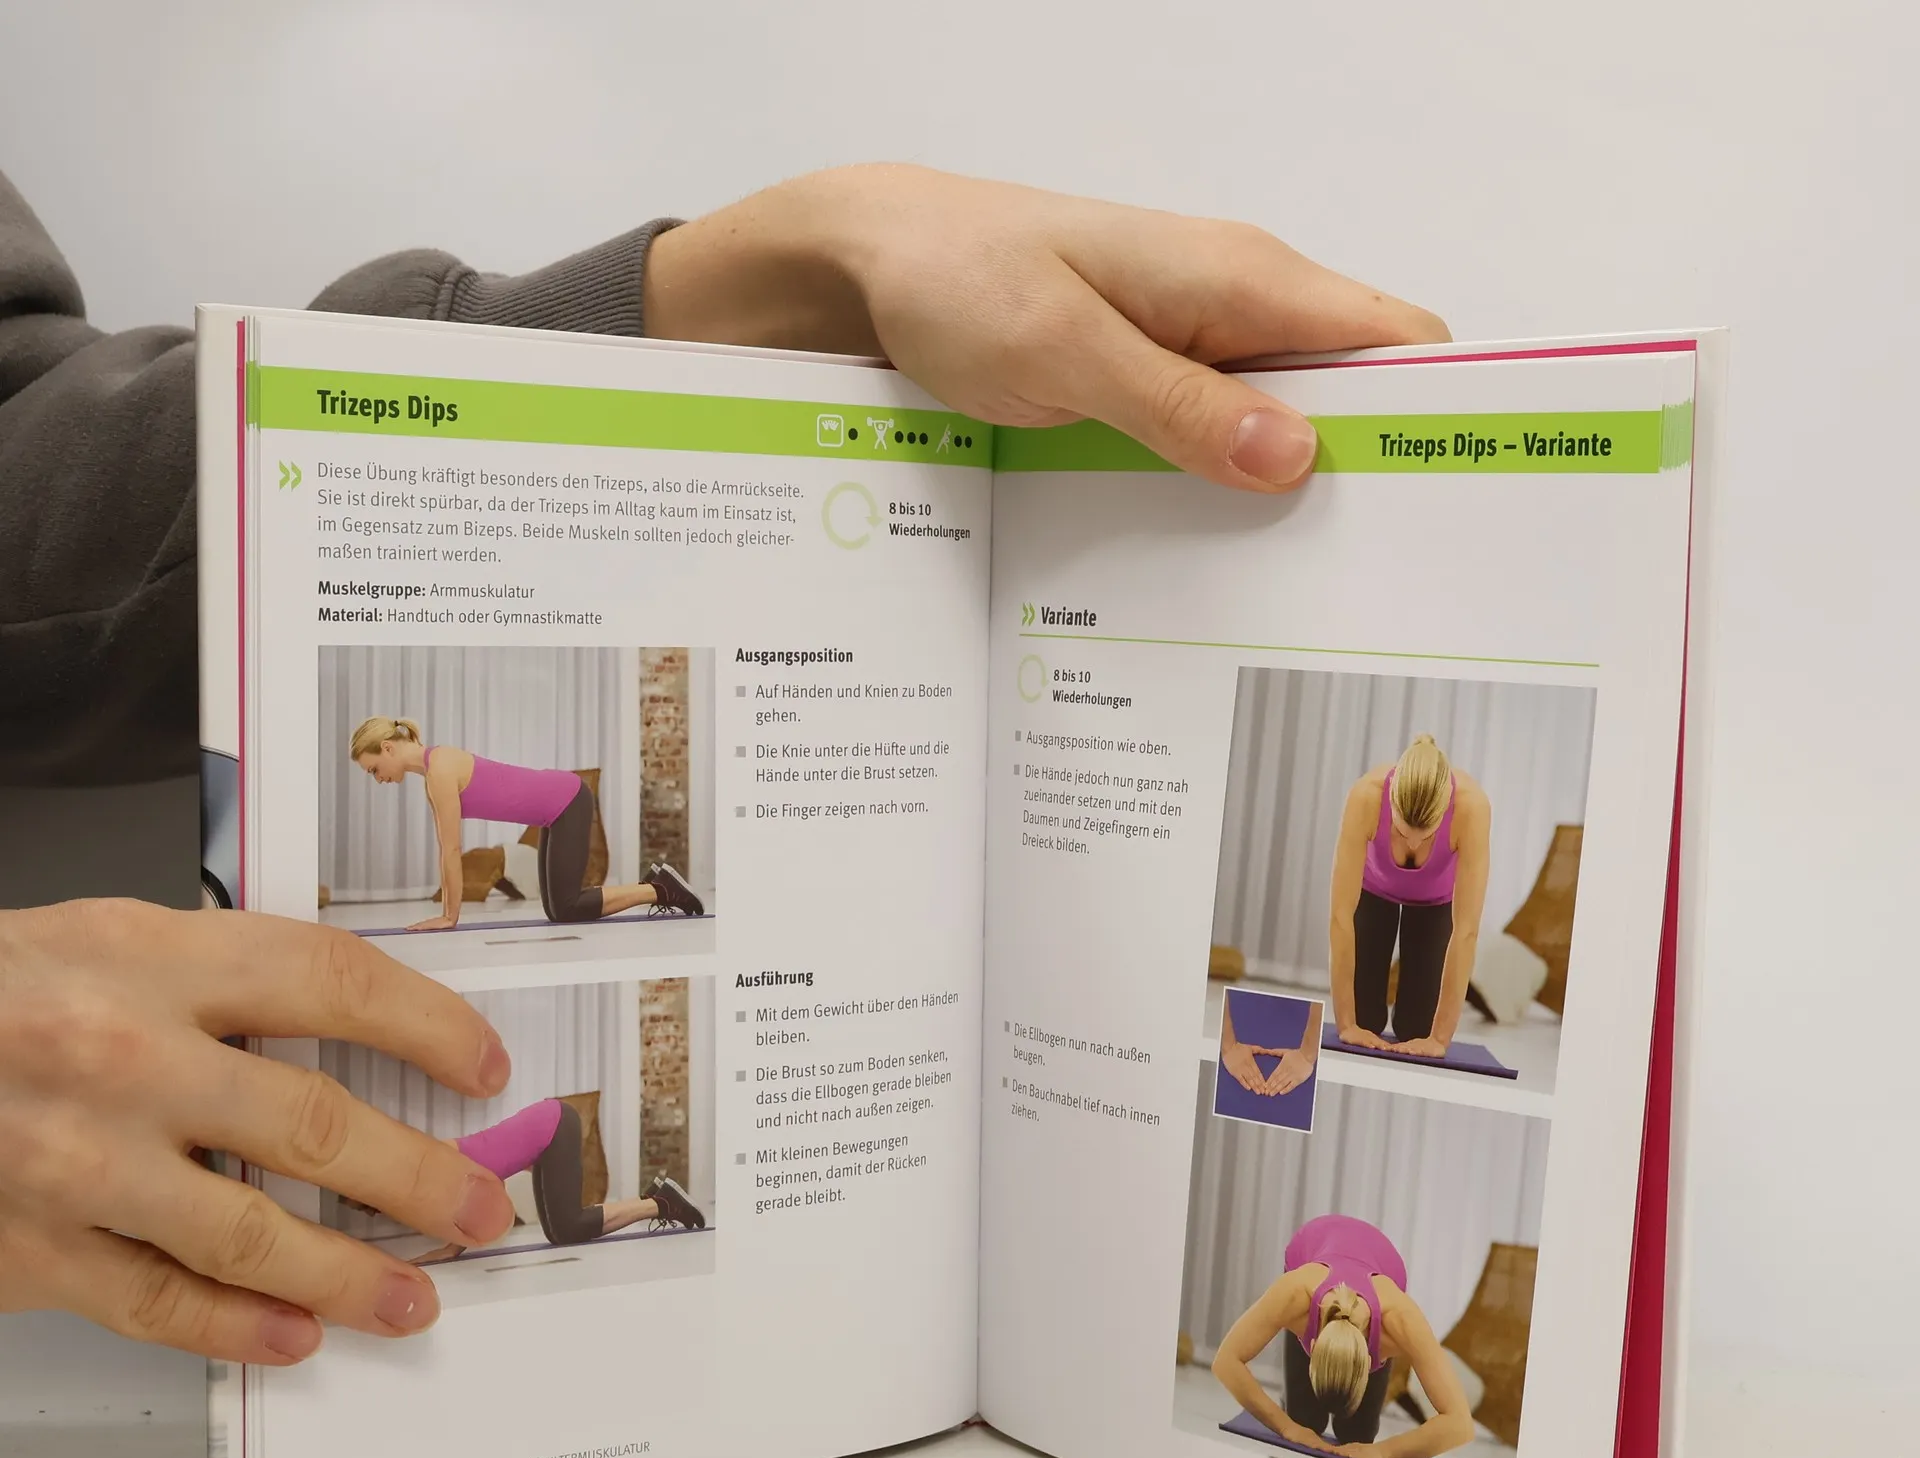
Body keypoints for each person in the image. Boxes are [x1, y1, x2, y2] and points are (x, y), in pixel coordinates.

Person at [0, 161, 1448, 1367]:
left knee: (584, 938)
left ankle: (659, 906)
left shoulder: (437, 775)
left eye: (372, 759)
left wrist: (793, 264)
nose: (379, 774)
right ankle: (663, 933)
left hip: (568, 824)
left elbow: (37, 485)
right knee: (584, 1004)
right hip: (562, 847)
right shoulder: (438, 780)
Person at [348, 718, 704, 930]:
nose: (377, 778)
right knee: (559, 911)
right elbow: (448, 848)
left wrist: (448, 917)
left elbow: (451, 850)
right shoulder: (434, 770)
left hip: (567, 799)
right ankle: (658, 884)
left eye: (373, 769)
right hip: (554, 808)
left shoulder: (439, 770)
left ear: (388, 748)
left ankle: (659, 889)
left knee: (566, 907)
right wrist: (448, 914)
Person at [1210, 1213, 1473, 1458]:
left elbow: (1460, 1423)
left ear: (1370, 1361)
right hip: (1317, 1240)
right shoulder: (1295, 1297)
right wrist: (1286, 1427)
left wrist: (1384, 1452)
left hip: (1382, 1258)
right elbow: (1226, 1361)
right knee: (1304, 1421)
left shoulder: (1400, 1322)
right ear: (1312, 1347)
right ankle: (1294, 1407)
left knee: (1357, 1435)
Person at [1327, 734, 1490, 1058]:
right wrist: (1346, 1025)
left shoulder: (1472, 807)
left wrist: (1439, 1040)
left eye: (1426, 835)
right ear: (1391, 803)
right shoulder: (1366, 796)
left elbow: (1466, 931)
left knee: (1416, 1030)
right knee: (1365, 1022)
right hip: (1375, 890)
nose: (1414, 844)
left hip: (1436, 901)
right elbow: (1340, 916)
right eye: (1403, 832)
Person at [405, 1098, 704, 1264]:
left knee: (569, 1226)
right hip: (546, 1131)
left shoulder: (437, 1160)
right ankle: (654, 1198)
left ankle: (660, 1203)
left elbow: (486, 1196)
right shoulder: (434, 1162)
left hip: (554, 1124)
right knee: (560, 1234)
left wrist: (450, 1250)